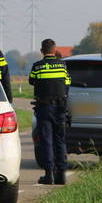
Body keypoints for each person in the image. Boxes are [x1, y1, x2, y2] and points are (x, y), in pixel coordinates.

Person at [29, 38, 70, 185]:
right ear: (55, 50)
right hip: (60, 108)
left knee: (46, 140)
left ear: (42, 51)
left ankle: (48, 174)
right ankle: (62, 175)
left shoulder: (37, 66)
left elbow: (31, 81)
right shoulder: (62, 65)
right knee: (60, 140)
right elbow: (67, 83)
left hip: (44, 108)